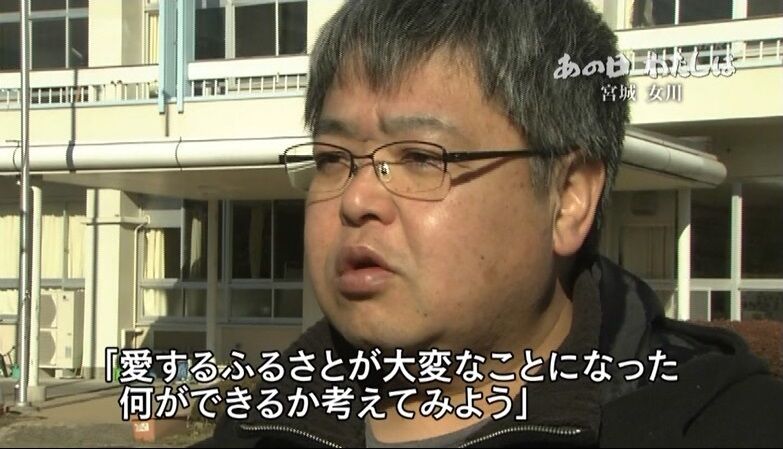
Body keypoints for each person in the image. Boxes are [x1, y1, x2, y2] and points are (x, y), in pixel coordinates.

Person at [198, 1, 783, 447]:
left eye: (422, 157)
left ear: (568, 198)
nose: (356, 200)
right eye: (332, 159)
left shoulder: (724, 424)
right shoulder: (257, 425)